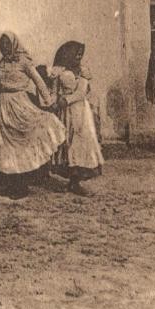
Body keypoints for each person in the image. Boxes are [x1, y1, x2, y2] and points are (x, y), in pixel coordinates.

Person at [0, 33, 66, 199]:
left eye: (7, 43)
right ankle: (10, 184)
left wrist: (49, 102)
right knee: (6, 145)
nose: (4, 46)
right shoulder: (0, 64)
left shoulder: (24, 62)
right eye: (2, 43)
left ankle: (21, 186)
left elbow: (39, 82)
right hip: (4, 107)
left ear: (14, 44)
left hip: (20, 104)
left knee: (21, 145)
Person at [50, 42, 104, 196]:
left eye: (81, 54)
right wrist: (52, 103)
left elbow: (81, 93)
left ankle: (76, 181)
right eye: (76, 53)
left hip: (80, 111)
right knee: (67, 143)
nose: (79, 57)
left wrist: (66, 100)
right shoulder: (58, 71)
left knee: (80, 143)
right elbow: (54, 91)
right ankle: (71, 180)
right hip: (64, 112)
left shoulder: (83, 71)